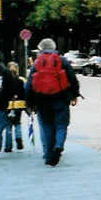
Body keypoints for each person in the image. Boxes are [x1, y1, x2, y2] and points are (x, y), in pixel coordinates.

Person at [26, 38, 80, 166]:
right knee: (61, 125)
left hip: (42, 100)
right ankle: (59, 146)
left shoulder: (37, 63)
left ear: (41, 49)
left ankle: (49, 154)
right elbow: (73, 79)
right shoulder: (62, 60)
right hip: (61, 98)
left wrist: (29, 103)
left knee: (47, 126)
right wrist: (74, 95)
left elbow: (29, 85)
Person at [2, 61, 27, 152]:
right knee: (17, 122)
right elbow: (25, 92)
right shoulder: (22, 80)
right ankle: (19, 138)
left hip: (8, 105)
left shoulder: (4, 80)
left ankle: (8, 146)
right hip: (19, 105)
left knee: (8, 125)